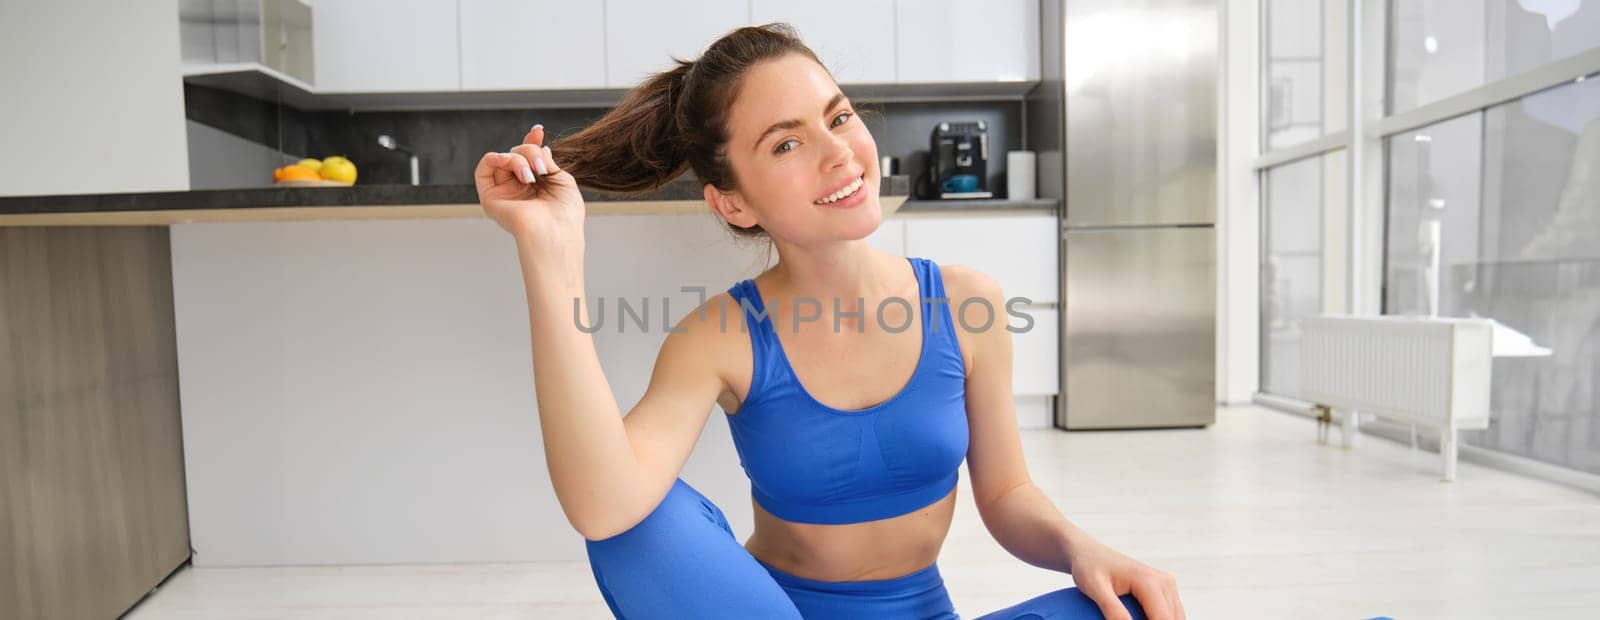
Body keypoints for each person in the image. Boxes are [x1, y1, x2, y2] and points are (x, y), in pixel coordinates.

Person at [472, 23, 1183, 620]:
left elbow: (1006, 495)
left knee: (1126, 608)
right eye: (786, 143)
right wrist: (552, 253)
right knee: (630, 527)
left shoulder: (968, 305)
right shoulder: (719, 336)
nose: (839, 151)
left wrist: (1078, 546)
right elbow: (602, 505)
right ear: (734, 204)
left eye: (838, 117)